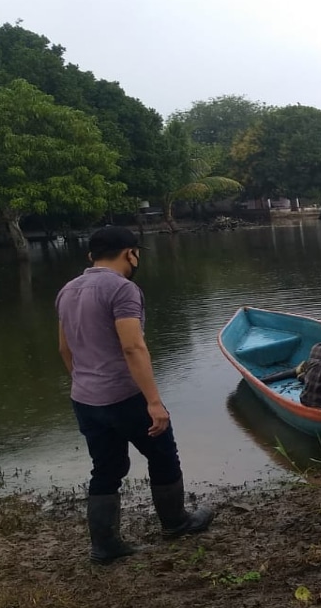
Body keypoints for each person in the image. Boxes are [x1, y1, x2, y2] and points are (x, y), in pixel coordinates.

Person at [56, 226, 214, 565]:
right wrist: (154, 402)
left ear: (91, 256)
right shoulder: (123, 289)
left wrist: (84, 382)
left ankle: (105, 545)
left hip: (84, 398)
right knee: (162, 454)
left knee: (106, 467)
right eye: (136, 253)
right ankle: (176, 523)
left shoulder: (67, 290)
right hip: (124, 396)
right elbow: (132, 346)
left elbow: (64, 348)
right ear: (130, 253)